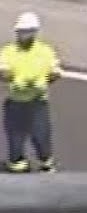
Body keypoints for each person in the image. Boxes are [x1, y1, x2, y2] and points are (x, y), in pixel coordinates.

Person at [0, 11, 62, 173]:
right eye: (22, 31)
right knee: (15, 139)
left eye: (29, 31)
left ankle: (46, 162)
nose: (25, 35)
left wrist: (44, 81)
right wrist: (14, 80)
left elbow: (54, 72)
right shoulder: (8, 51)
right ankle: (17, 164)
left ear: (35, 32)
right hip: (15, 103)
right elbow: (3, 72)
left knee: (41, 136)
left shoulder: (45, 51)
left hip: (37, 102)